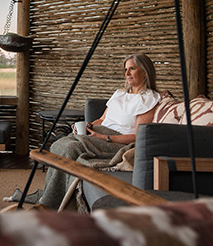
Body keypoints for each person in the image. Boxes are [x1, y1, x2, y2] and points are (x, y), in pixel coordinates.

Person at [37, 53, 161, 210]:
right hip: (100, 133)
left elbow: (137, 136)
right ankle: (50, 195)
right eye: (125, 70)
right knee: (59, 144)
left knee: (71, 149)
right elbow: (102, 119)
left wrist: (103, 137)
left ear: (145, 72)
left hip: (117, 141)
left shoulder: (148, 98)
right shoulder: (120, 93)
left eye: (132, 69)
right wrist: (89, 126)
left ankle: (49, 204)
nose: (127, 73)